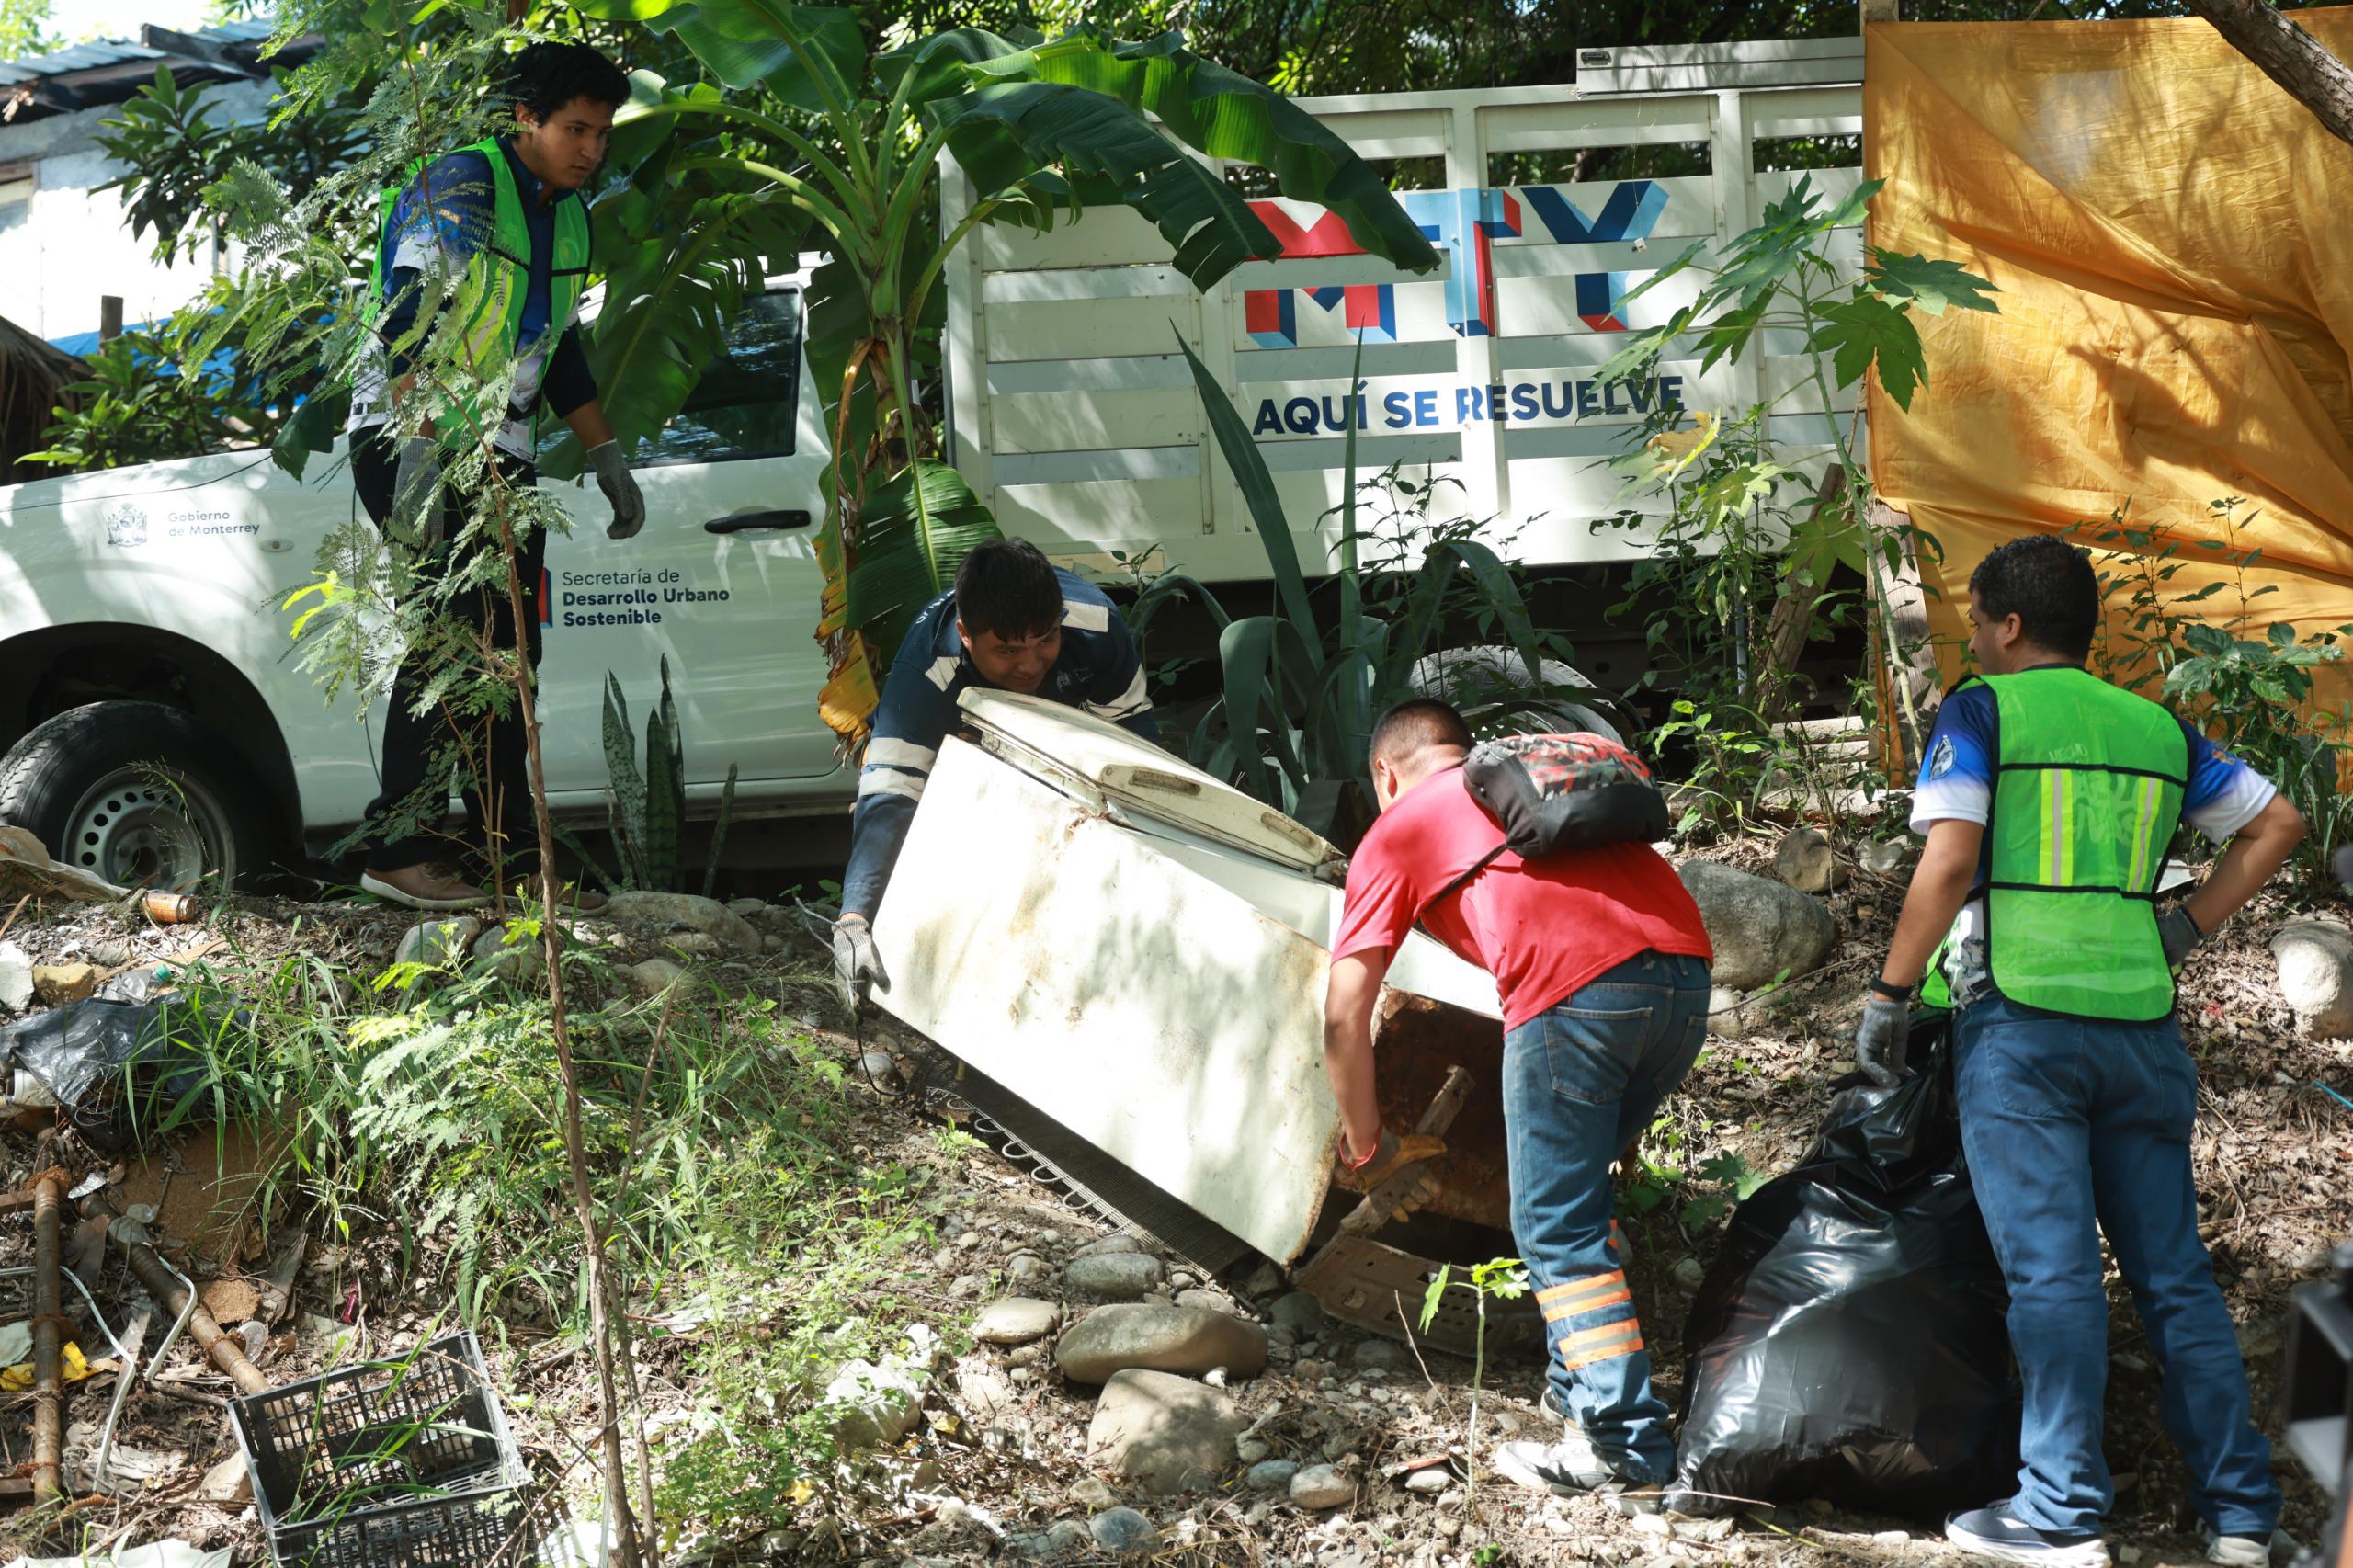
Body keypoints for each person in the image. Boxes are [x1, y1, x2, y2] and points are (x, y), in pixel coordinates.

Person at [1854, 534, 2304, 1568]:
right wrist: (2182, 929)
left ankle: (2058, 1511)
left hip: (2023, 1027)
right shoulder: (2155, 725)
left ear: (2008, 623)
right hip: (2140, 1027)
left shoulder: (1980, 710)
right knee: (2173, 1278)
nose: (1972, 635)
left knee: (2052, 1275)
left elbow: (1952, 852)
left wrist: (1888, 991)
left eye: (1976, 618)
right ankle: (2240, 1515)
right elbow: (2274, 822)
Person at [1320, 699, 1713, 1495]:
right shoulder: (1530, 781)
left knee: (1554, 1227)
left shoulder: (1399, 828)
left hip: (1575, 996)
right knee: (1576, 1209)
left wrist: (1369, 1149)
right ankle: (1578, 1402)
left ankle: (1623, 1445)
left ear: (1384, 774)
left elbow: (1344, 1011)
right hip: (1685, 979)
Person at [347, 40, 643, 912]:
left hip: (499, 449)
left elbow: (559, 353)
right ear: (526, 119)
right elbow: (409, 316)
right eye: (576, 128)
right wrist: (415, 452)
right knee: (448, 642)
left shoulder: (573, 216)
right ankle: (397, 847)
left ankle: (511, 860)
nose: (592, 148)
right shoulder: (465, 186)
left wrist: (604, 452)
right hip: (412, 439)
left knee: (511, 653)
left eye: (603, 133)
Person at [831, 539, 1158, 1002]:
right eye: (1006, 651)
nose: (1029, 664)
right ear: (966, 634)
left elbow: (1135, 747)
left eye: (1046, 640)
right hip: (970, 775)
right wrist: (854, 918)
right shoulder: (926, 672)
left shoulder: (1097, 625)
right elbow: (891, 791)